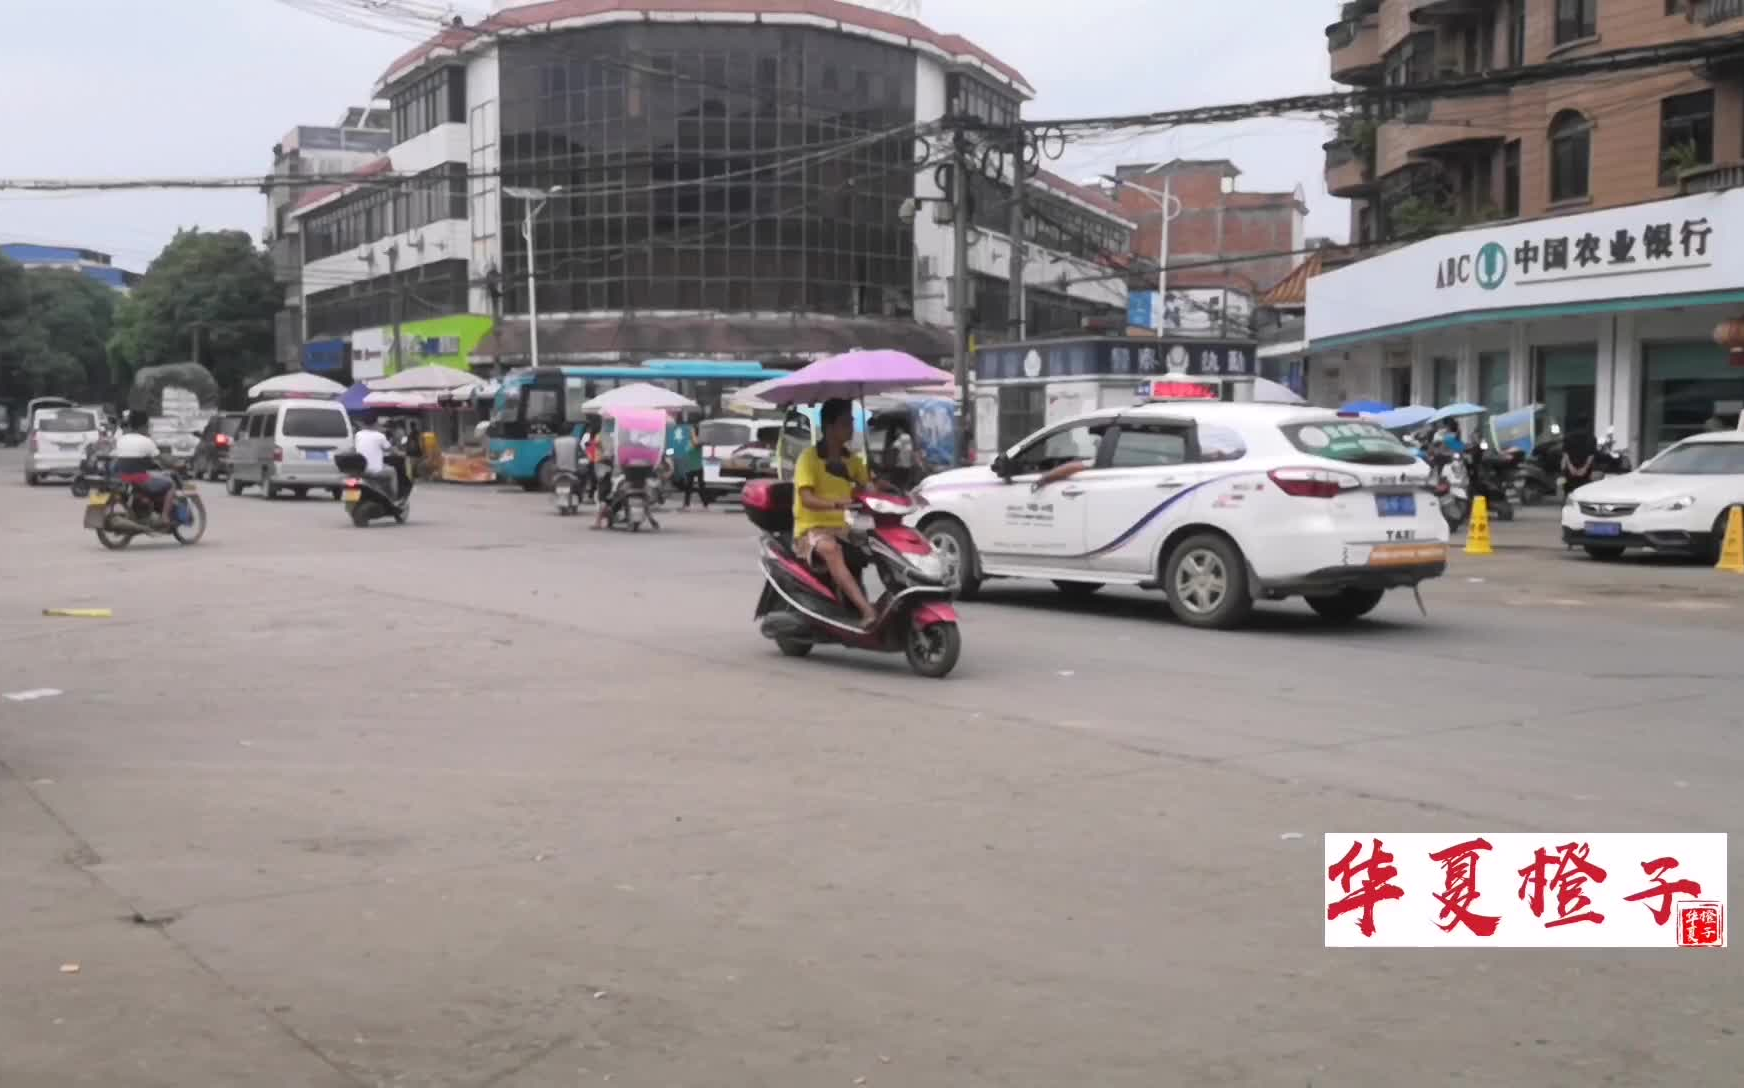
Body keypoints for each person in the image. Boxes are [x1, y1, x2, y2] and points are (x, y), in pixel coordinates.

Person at [792, 398, 882, 626]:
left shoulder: (850, 460)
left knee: (883, 545)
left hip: (846, 527)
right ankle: (866, 610)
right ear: (829, 427)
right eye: (846, 422)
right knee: (831, 550)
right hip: (812, 530)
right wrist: (837, 504)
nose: (851, 427)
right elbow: (807, 498)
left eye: (851, 421)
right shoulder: (809, 459)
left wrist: (879, 485)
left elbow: (867, 485)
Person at [112, 410, 176, 526]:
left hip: (123, 478)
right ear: (144, 426)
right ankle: (165, 517)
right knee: (171, 484)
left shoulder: (121, 440)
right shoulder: (147, 441)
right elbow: (162, 459)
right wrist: (175, 464)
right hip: (140, 479)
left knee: (153, 478)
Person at [353, 412, 398, 500]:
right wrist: (400, 453)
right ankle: (394, 498)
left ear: (363, 423)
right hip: (376, 472)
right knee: (392, 472)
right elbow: (390, 449)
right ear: (376, 423)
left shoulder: (358, 435)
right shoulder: (380, 436)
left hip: (361, 470)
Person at [669, 416, 707, 510]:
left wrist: (692, 433)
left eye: (692, 431)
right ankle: (686, 504)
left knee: (701, 486)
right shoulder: (688, 441)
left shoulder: (698, 440)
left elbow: (695, 443)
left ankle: (705, 504)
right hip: (690, 467)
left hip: (698, 467)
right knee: (688, 487)